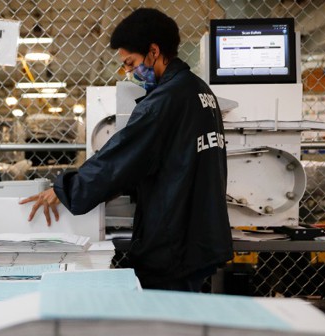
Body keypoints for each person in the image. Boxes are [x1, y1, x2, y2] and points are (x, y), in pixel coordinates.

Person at [21, 8, 232, 291]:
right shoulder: (200, 90)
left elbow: (120, 158)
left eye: (130, 63)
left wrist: (64, 189)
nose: (129, 72)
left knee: (164, 321)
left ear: (154, 51)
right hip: (200, 235)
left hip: (173, 241)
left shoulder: (163, 101)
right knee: (186, 317)